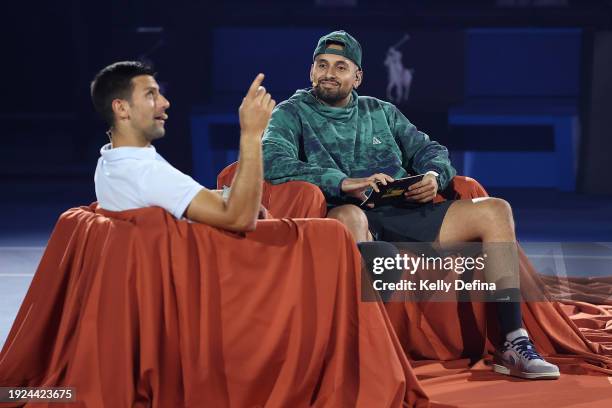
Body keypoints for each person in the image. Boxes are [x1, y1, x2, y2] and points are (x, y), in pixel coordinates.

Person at [261, 30, 560, 380]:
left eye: (340, 66)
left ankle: (512, 342)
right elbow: (271, 159)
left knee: (496, 210)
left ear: (357, 76)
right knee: (353, 217)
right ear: (311, 71)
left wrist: (433, 176)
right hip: (344, 212)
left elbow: (430, 150)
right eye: (322, 65)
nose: (329, 73)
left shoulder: (382, 112)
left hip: (402, 210)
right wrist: (341, 182)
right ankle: (364, 350)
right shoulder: (291, 113)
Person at [91, 61, 275, 231]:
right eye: (150, 95)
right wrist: (251, 134)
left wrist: (222, 196)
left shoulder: (107, 162)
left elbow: (162, 193)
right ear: (121, 108)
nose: (165, 103)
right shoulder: (148, 174)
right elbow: (240, 219)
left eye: (160, 92)